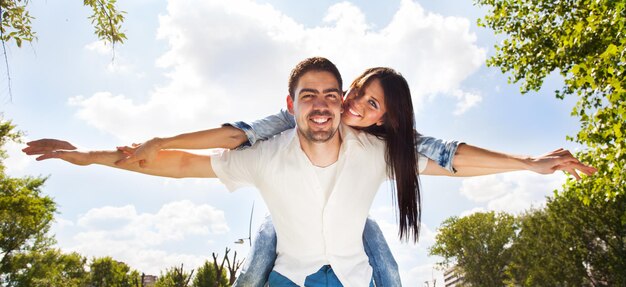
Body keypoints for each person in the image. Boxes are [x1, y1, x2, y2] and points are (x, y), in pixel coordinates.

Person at [23, 58, 596, 286]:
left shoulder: (378, 148)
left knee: (378, 246)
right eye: (311, 96)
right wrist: (89, 155)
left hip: (351, 266)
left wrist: (530, 163)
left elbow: (454, 159)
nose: (329, 106)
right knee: (264, 247)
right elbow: (174, 164)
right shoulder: (266, 146)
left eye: (336, 95)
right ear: (293, 103)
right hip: (289, 268)